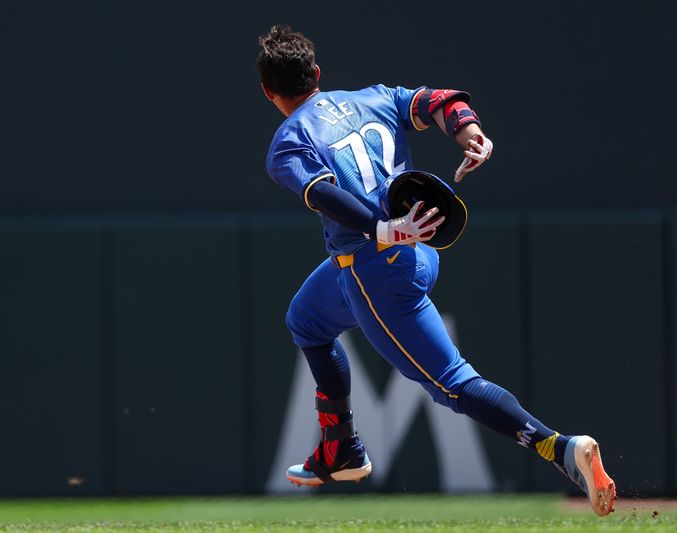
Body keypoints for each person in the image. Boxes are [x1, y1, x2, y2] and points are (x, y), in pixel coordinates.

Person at [256, 25, 616, 516]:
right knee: (306, 319)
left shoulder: (287, 140)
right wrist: (470, 132)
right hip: (418, 246)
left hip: (377, 266)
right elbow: (441, 100)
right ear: (317, 74)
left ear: (268, 91)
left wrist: (381, 229)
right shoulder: (373, 97)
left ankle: (559, 446)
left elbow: (322, 192)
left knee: (452, 382)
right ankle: (340, 447)